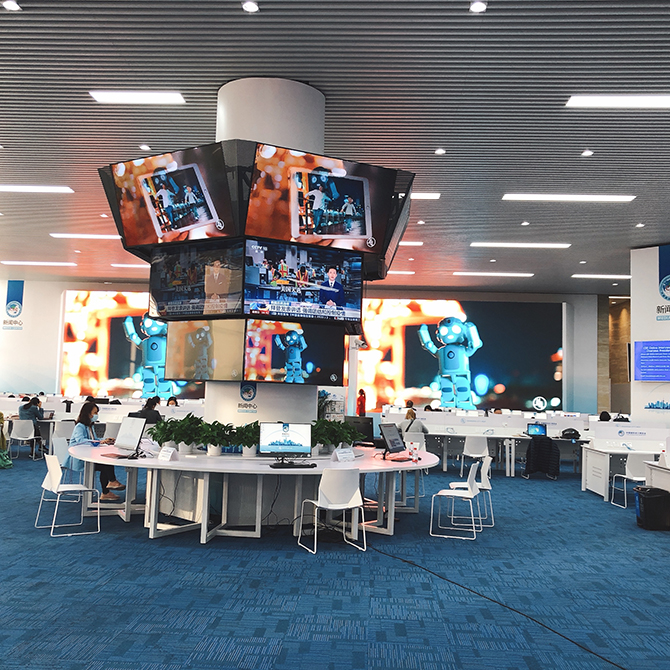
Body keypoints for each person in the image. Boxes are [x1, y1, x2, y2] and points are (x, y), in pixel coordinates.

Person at [65, 402, 125, 502]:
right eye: (95, 412)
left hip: (87, 455)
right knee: (106, 464)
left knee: (106, 463)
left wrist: (104, 440)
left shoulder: (90, 426)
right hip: (79, 458)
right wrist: (98, 442)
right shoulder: (80, 426)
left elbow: (94, 439)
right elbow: (80, 440)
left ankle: (107, 490)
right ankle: (110, 484)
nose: (97, 415)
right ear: (88, 413)